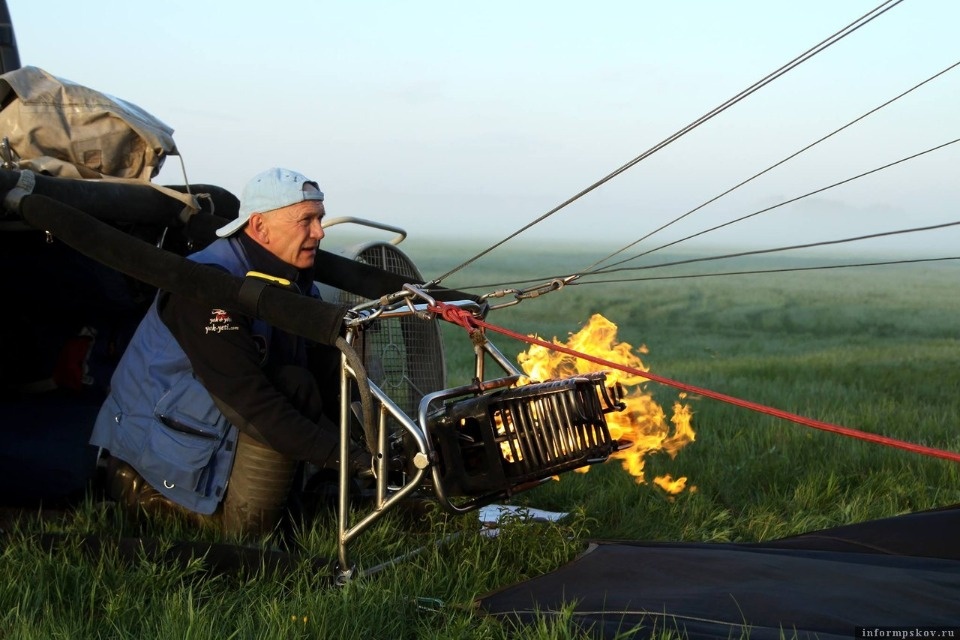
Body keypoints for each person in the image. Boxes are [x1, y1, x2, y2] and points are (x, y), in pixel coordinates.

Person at [90, 167, 466, 537]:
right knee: (289, 385)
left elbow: (325, 374)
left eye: (319, 219)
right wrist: (351, 459)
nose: (319, 232)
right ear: (259, 227)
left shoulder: (291, 278)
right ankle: (245, 529)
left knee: (320, 376)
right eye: (307, 220)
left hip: (213, 439)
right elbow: (251, 403)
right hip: (157, 474)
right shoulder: (205, 287)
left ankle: (366, 496)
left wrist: (378, 457)